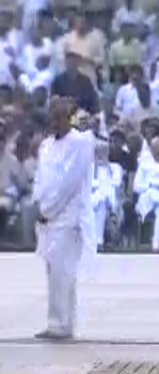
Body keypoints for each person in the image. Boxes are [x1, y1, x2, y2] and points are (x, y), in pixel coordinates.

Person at [32, 96, 95, 340]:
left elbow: (69, 183)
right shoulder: (47, 145)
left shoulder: (80, 144)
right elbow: (41, 177)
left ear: (69, 118)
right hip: (48, 218)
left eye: (61, 117)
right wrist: (39, 204)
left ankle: (63, 324)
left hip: (68, 217)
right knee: (53, 271)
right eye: (53, 116)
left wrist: (48, 209)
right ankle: (57, 322)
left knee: (64, 272)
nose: (56, 122)